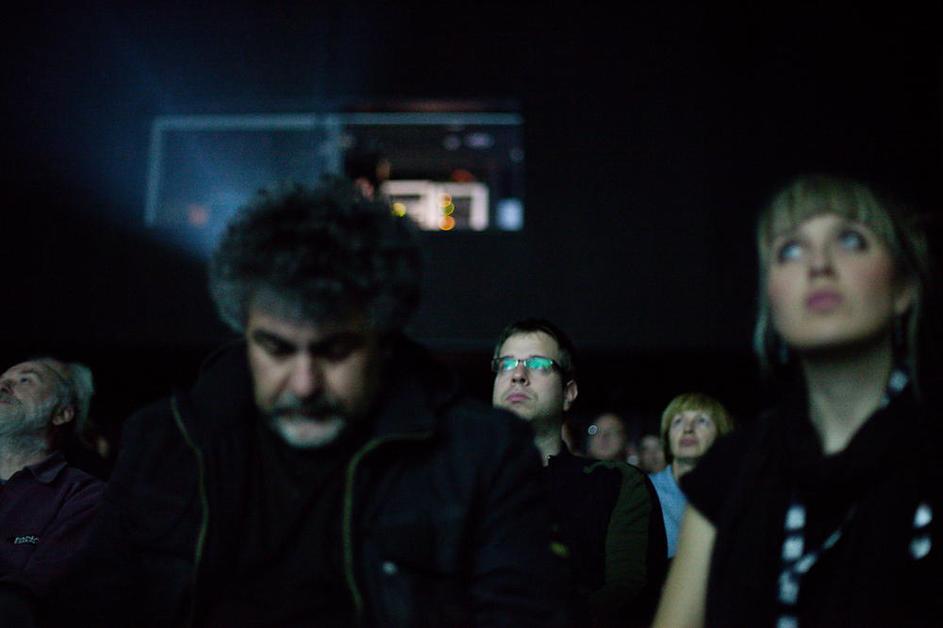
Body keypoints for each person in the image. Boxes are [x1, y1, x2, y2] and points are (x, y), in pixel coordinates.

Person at [50, 181, 569, 627]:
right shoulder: (165, 442)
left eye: (334, 351)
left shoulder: (481, 453)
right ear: (244, 333)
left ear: (383, 340)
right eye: (276, 349)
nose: (303, 383)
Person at [654, 174, 943, 627]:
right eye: (790, 250)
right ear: (771, 300)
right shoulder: (730, 470)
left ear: (903, 288)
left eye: (850, 240)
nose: (818, 264)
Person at [492, 318, 666, 628]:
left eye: (538, 364)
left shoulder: (615, 483)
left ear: (569, 392)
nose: (517, 375)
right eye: (506, 364)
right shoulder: (460, 482)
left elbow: (628, 591)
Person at [0, 358, 104, 623]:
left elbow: (31, 599)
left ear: (62, 414)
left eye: (26, 379)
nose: (3, 386)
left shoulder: (84, 496)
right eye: (1, 380)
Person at [647, 393, 733, 558]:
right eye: (678, 421)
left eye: (702, 421)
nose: (688, 429)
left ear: (720, 434)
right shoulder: (642, 491)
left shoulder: (735, 495)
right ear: (667, 436)